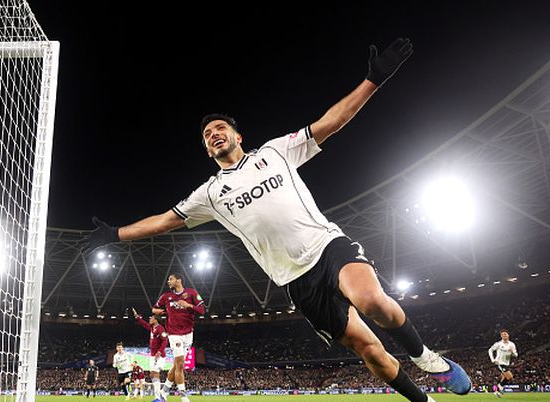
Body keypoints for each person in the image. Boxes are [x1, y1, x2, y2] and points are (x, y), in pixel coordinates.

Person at [83, 38, 472, 402]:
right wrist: (115, 234)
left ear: (238, 135)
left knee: (372, 300)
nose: (214, 134)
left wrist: (373, 79)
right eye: (207, 134)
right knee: (369, 349)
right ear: (206, 150)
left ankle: (426, 359)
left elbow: (331, 122)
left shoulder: (275, 152)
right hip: (295, 281)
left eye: (220, 128)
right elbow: (166, 220)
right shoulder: (210, 194)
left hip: (325, 247)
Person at [150, 274, 204, 402]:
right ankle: (183, 396)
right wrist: (159, 312)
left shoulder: (192, 292)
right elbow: (154, 309)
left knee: (176, 366)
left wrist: (188, 305)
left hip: (188, 334)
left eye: (171, 279)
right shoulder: (166, 296)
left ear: (178, 280)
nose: (168, 281)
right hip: (174, 334)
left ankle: (163, 393)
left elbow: (202, 311)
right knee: (180, 364)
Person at [132, 307, 168, 399]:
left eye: (151, 318)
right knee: (152, 375)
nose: (150, 319)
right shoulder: (152, 328)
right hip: (152, 356)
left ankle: (158, 397)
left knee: (155, 374)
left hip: (159, 356)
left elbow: (165, 341)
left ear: (156, 320)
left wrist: (160, 352)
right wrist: (137, 317)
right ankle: (161, 394)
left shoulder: (160, 328)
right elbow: (144, 324)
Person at [488, 329, 518, 398]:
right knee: (510, 377)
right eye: (502, 335)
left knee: (505, 378)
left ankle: (497, 391)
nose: (504, 336)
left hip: (507, 363)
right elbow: (490, 350)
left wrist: (512, 352)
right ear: (501, 336)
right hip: (500, 363)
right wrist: (493, 359)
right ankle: (500, 387)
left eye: (505, 334)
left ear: (508, 335)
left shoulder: (512, 344)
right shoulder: (498, 344)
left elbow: (516, 355)